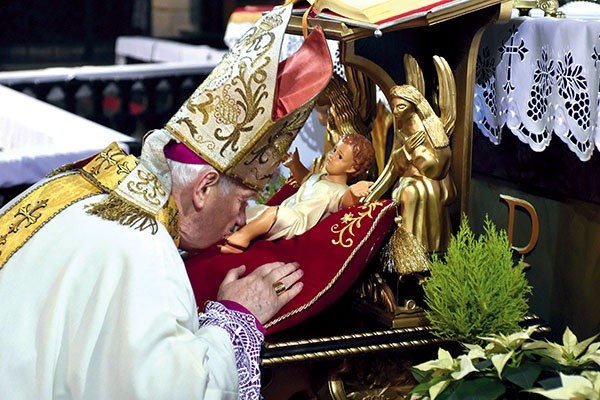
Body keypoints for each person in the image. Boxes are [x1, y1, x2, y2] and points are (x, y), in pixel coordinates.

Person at [0, 4, 333, 399]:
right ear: (204, 187)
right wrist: (235, 319)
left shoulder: (86, 183)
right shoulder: (146, 251)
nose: (241, 219)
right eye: (243, 200)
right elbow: (179, 390)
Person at [220, 133, 375, 254]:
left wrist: (354, 193)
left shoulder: (339, 191)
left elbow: (345, 202)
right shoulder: (318, 176)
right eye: (334, 150)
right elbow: (304, 179)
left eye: (340, 157)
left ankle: (239, 242)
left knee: (272, 214)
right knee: (256, 210)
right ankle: (228, 229)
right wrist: (295, 164)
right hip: (287, 212)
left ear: (352, 168)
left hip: (298, 223)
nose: (332, 156)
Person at [364, 84, 456, 253]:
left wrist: (417, 153)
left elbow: (441, 163)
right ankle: (406, 254)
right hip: (408, 178)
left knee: (418, 193)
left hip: (431, 180)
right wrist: (406, 150)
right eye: (393, 107)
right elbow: (396, 162)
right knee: (407, 192)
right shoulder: (400, 126)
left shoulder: (429, 126)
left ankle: (425, 250)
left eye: (401, 107)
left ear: (413, 105)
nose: (396, 111)